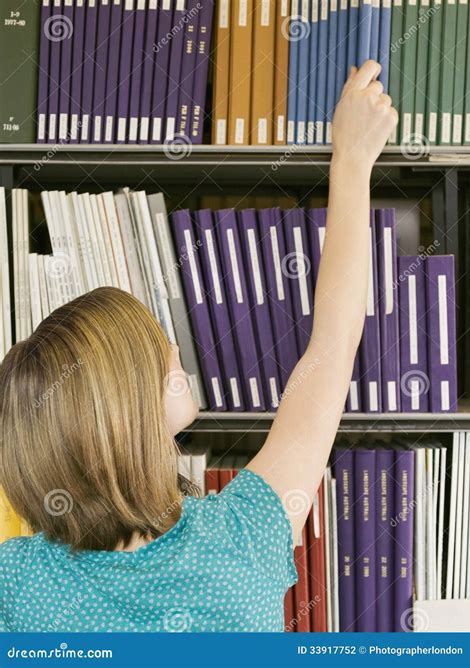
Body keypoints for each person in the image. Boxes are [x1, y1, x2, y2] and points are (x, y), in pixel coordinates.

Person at [0, 60, 397, 632]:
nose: (173, 348)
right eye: (155, 348)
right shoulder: (242, 537)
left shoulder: (17, 582)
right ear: (129, 409)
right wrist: (353, 161)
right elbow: (332, 348)